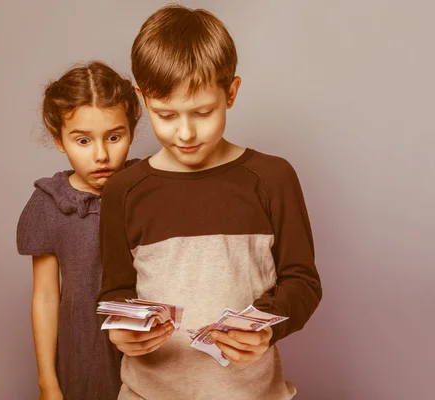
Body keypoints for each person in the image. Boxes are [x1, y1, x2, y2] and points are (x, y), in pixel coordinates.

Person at [99, 5, 323, 399]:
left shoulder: (273, 178)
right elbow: (116, 291)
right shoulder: (123, 191)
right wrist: (121, 330)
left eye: (203, 112)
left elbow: (302, 281)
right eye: (165, 115)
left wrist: (268, 328)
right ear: (142, 99)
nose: (185, 132)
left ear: (231, 93)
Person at [17, 61, 141, 400]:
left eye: (114, 137)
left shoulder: (149, 189)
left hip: (149, 350)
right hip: (83, 353)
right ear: (59, 140)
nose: (101, 155)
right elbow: (44, 296)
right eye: (83, 140)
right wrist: (47, 382)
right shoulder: (49, 204)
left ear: (132, 130)